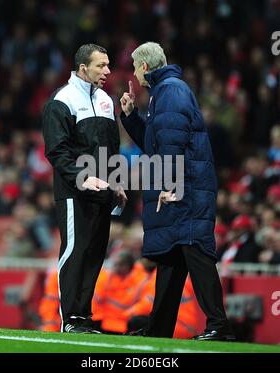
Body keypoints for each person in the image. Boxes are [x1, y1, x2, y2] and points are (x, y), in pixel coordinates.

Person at [120, 42, 235, 341]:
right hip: (185, 186)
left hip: (187, 189)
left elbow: (172, 142)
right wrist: (131, 117)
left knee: (195, 251)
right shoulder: (164, 93)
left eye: (134, 67)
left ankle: (219, 326)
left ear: (144, 67)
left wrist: (170, 184)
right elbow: (156, 143)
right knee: (171, 257)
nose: (134, 72)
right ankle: (158, 329)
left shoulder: (170, 90)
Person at [42, 43, 127, 333]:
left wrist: (116, 181)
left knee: (94, 254)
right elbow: (56, 151)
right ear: (82, 68)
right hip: (74, 190)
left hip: (102, 190)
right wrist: (82, 177)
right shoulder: (61, 100)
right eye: (101, 65)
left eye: (107, 64)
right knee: (75, 250)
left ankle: (82, 317)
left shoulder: (105, 100)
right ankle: (70, 319)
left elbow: (113, 147)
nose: (107, 71)